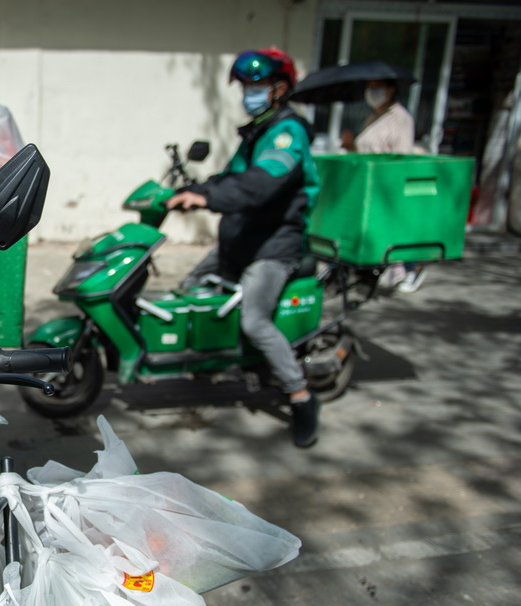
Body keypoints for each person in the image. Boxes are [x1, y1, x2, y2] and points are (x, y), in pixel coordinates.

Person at [166, 48, 321, 448]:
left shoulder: (287, 133)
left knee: (255, 320)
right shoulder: (257, 131)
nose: (249, 93)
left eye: (257, 85)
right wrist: (192, 191)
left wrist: (207, 200)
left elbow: (260, 183)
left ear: (279, 89)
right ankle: (211, 356)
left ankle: (301, 396)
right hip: (241, 239)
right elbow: (229, 177)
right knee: (190, 286)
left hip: (273, 246)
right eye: (246, 86)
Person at [341, 78, 425, 292]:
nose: (372, 92)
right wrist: (350, 145)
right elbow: (365, 152)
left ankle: (412, 269)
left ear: (391, 90)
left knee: (396, 232)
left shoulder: (400, 118)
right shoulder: (373, 116)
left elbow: (401, 158)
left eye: (377, 87)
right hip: (368, 185)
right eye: (369, 87)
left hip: (386, 185)